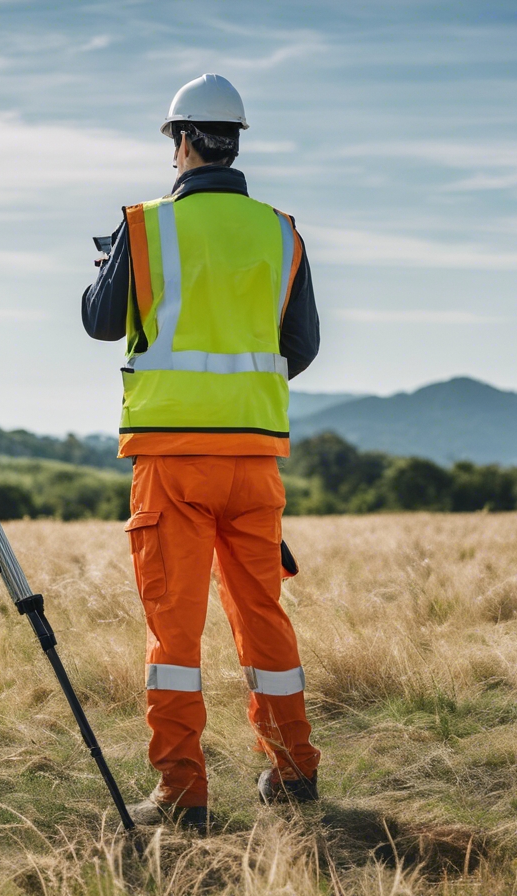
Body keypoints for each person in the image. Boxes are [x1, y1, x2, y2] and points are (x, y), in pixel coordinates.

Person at [81, 74, 321, 833]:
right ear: (235, 140)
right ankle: (293, 773)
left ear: (179, 141)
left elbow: (98, 321)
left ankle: (183, 794)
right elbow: (301, 346)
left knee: (174, 634)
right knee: (264, 616)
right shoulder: (281, 231)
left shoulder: (145, 227)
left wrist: (108, 267)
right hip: (253, 461)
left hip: (171, 459)